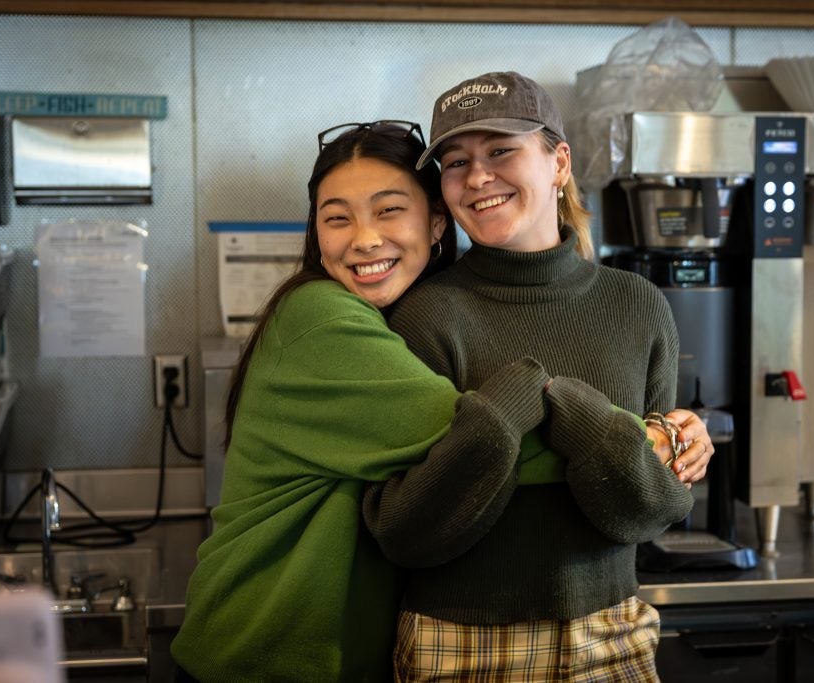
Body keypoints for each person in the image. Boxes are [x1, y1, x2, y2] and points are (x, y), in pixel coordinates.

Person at [170, 121, 562, 682]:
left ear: (434, 223)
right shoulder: (319, 317)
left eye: (387, 210)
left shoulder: (411, 320)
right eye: (337, 218)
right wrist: (644, 438)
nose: (364, 238)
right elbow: (480, 441)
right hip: (258, 658)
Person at [363, 72, 714, 680]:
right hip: (462, 643)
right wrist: (503, 418)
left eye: (501, 150)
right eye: (455, 161)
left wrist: (588, 424)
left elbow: (653, 508)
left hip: (613, 634)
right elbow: (408, 532)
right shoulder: (422, 316)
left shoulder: (637, 305)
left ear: (558, 162)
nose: (476, 177)